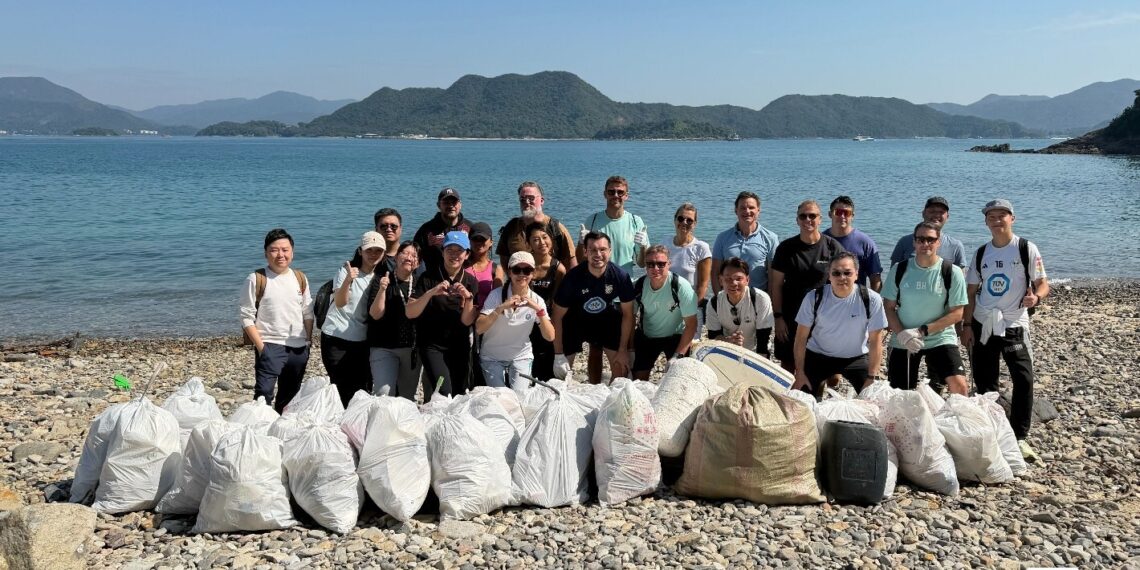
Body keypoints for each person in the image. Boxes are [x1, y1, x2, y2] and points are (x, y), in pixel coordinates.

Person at [962, 199, 1048, 463]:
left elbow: (1042, 283)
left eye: (1002, 215)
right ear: (986, 221)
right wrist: (966, 326)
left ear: (1012, 218)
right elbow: (971, 292)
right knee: (985, 382)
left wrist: (1037, 298)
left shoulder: (1025, 248)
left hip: (1013, 324)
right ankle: (991, 431)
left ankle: (1019, 436)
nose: (997, 220)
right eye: (991, 216)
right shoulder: (980, 253)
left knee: (1023, 379)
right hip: (982, 323)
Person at [881, 222, 969, 395]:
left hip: (940, 337)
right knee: (900, 395)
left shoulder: (952, 271)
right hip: (904, 337)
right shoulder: (900, 269)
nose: (925, 244)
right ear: (914, 242)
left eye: (930, 239)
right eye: (920, 239)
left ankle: (958, 420)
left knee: (960, 386)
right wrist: (901, 334)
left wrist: (922, 331)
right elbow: (889, 307)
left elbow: (957, 313)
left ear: (939, 242)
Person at [792, 253, 888, 398]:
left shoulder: (871, 299)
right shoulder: (814, 297)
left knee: (874, 399)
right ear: (829, 276)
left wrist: (872, 377)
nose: (842, 277)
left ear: (856, 274)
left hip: (856, 356)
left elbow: (875, 341)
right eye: (836, 273)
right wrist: (799, 372)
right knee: (800, 400)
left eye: (847, 273)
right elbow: (800, 338)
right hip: (818, 354)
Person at [239, 228, 313, 413]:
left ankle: (281, 433)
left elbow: (307, 312)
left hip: (298, 347)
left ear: (292, 252)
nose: (281, 254)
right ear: (266, 253)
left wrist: (308, 340)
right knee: (263, 395)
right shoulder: (257, 278)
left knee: (290, 397)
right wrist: (262, 348)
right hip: (269, 343)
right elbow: (246, 316)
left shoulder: (300, 278)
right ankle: (259, 433)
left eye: (285, 249)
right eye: (274, 250)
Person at [770, 200, 845, 374]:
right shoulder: (786, 248)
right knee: (788, 365)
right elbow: (776, 285)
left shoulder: (832, 247)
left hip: (823, 317)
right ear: (797, 220)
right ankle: (788, 398)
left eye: (812, 216)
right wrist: (778, 317)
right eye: (803, 216)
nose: (808, 219)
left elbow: (845, 284)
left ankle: (817, 398)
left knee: (823, 369)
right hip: (791, 316)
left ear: (820, 219)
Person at [553, 231, 636, 384]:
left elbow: (628, 315)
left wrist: (625, 349)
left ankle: (610, 399)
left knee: (621, 372)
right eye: (593, 250)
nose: (598, 254)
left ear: (610, 251)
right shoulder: (573, 277)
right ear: (585, 252)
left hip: (605, 320)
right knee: (561, 375)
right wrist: (558, 354)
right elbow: (557, 316)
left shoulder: (621, 277)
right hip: (576, 321)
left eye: (603, 249)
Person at [406, 231, 479, 399]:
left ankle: (452, 424)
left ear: (466, 254)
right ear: (442, 252)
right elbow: (410, 312)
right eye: (449, 250)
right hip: (433, 346)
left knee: (460, 393)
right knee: (444, 391)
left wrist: (468, 298)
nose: (454, 255)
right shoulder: (428, 277)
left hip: (459, 345)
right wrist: (431, 292)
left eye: (459, 251)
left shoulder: (470, 281)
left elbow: (467, 320)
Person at [475, 251, 556, 394]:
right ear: (509, 272)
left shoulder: (536, 300)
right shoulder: (496, 295)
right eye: (517, 270)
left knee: (520, 396)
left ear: (533, 273)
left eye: (527, 270)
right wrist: (501, 308)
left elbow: (550, 336)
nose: (522, 274)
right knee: (501, 397)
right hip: (491, 357)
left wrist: (538, 310)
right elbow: (479, 328)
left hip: (521, 356)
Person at [321, 231, 384, 406]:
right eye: (369, 250)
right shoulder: (346, 271)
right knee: (341, 388)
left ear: (383, 253)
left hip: (362, 341)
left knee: (362, 389)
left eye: (378, 250)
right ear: (360, 251)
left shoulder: (381, 278)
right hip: (336, 337)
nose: (373, 254)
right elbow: (340, 302)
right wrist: (348, 279)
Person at [631, 246, 699, 379]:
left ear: (669, 264)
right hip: (647, 336)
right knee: (638, 381)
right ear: (645, 266)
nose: (655, 268)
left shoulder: (680, 286)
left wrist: (677, 355)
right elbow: (630, 318)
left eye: (661, 264)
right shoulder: (638, 286)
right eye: (650, 264)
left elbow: (691, 325)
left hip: (675, 336)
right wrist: (629, 349)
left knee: (679, 378)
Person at [367, 241, 421, 400]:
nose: (409, 258)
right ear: (396, 257)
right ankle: (381, 423)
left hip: (411, 349)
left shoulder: (420, 283)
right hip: (384, 346)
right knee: (383, 393)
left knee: (407, 397)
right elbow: (375, 314)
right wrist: (383, 290)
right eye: (405, 253)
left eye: (414, 256)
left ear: (418, 263)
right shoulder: (382, 279)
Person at [496, 181, 577, 270]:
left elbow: (571, 261)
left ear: (541, 200)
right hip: (520, 281)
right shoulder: (511, 227)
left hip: (551, 282)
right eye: (522, 199)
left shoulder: (555, 228)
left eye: (531, 198)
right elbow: (504, 258)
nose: (527, 202)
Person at [705, 257, 775, 357]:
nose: (733, 283)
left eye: (739, 279)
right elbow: (713, 336)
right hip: (726, 351)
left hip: (755, 353)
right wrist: (728, 341)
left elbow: (763, 341)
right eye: (728, 279)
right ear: (721, 280)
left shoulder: (760, 299)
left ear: (747, 280)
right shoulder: (714, 303)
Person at [711, 191, 779, 294]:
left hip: (758, 299)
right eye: (742, 208)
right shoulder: (722, 238)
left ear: (758, 210)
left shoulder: (770, 238)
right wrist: (719, 300)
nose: (747, 211)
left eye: (751, 208)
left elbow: (773, 277)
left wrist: (769, 303)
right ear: (736, 210)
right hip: (729, 298)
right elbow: (715, 273)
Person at [577, 175, 648, 272]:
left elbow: (642, 264)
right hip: (598, 281)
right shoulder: (592, 220)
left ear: (626, 196)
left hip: (625, 282)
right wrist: (581, 244)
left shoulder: (636, 221)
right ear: (605, 194)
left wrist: (643, 247)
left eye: (620, 192)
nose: (615, 195)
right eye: (611, 192)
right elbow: (581, 260)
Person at [525, 221, 566, 381]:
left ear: (551, 239)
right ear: (529, 243)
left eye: (544, 237)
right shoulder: (524, 265)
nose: (541, 243)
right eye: (535, 239)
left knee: (546, 366)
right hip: (526, 319)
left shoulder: (558, 269)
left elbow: (558, 303)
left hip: (547, 319)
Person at [664, 202, 712, 335]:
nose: (684, 222)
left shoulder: (701, 248)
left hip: (691, 307)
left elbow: (703, 285)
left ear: (694, 224)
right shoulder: (665, 243)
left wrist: (691, 310)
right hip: (667, 305)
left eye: (689, 220)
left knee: (690, 348)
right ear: (675, 220)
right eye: (680, 218)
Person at [822, 195, 883, 291]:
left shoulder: (865, 243)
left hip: (856, 301)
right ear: (830, 214)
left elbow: (875, 278)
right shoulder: (821, 240)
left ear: (852, 216)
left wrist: (873, 302)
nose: (842, 216)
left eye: (846, 213)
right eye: (838, 212)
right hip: (825, 301)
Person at [890, 196, 967, 269]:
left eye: (941, 212)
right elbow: (893, 274)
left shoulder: (956, 246)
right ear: (923, 214)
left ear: (947, 217)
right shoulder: (904, 242)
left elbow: (960, 279)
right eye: (932, 211)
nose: (936, 215)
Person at [413, 187, 472, 274]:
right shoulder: (427, 230)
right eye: (446, 202)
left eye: (454, 202)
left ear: (460, 205)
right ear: (438, 205)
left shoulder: (470, 227)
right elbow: (415, 257)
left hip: (463, 280)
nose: (451, 206)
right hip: (433, 280)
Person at [464, 221, 504, 309]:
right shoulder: (461, 266)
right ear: (469, 241)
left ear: (491, 242)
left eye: (482, 239)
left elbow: (497, 300)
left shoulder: (496, 269)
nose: (479, 242)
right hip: (463, 316)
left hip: (486, 316)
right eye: (475, 239)